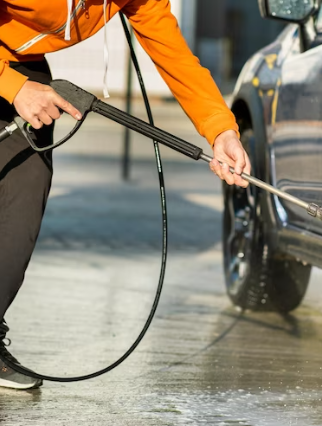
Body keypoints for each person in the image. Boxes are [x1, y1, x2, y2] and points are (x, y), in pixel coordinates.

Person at [0, 0, 251, 390]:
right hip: (10, 78)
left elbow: (175, 56)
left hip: (20, 67)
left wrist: (222, 131)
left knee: (23, 204)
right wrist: (12, 86)